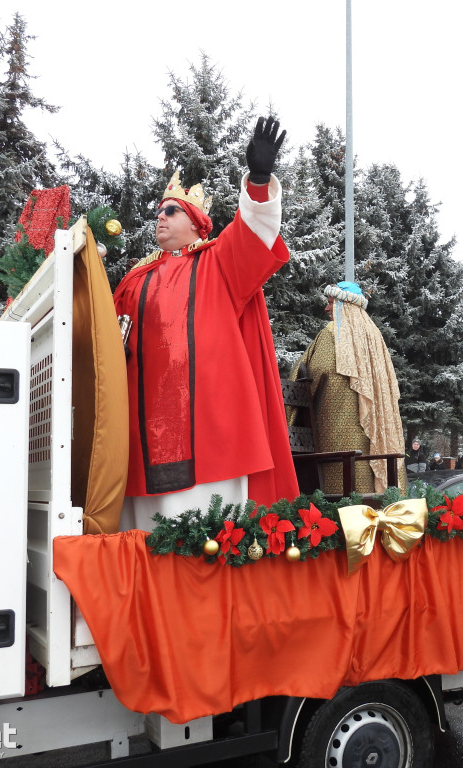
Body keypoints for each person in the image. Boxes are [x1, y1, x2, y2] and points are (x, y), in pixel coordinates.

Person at [113, 117, 298, 530]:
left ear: (198, 224)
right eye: (158, 211)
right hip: (141, 425)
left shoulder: (219, 261)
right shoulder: (133, 279)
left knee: (210, 529)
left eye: (172, 211)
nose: (160, 218)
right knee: (144, 535)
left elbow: (256, 229)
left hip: (208, 423)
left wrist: (259, 178)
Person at [291, 281, 406, 494]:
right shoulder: (374, 337)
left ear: (345, 305)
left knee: (341, 502)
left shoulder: (333, 334)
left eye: (331, 303)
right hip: (377, 445)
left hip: (337, 444)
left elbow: (310, 374)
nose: (326, 308)